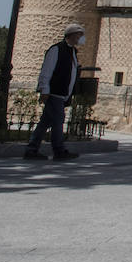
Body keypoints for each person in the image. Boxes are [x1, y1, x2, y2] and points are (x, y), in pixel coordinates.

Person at [23, 23, 84, 160]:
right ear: (72, 35)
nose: (80, 38)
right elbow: (47, 70)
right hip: (54, 91)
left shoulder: (72, 52)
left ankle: (32, 149)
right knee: (58, 120)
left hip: (62, 93)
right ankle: (58, 150)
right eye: (79, 35)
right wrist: (44, 88)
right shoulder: (56, 49)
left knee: (45, 122)